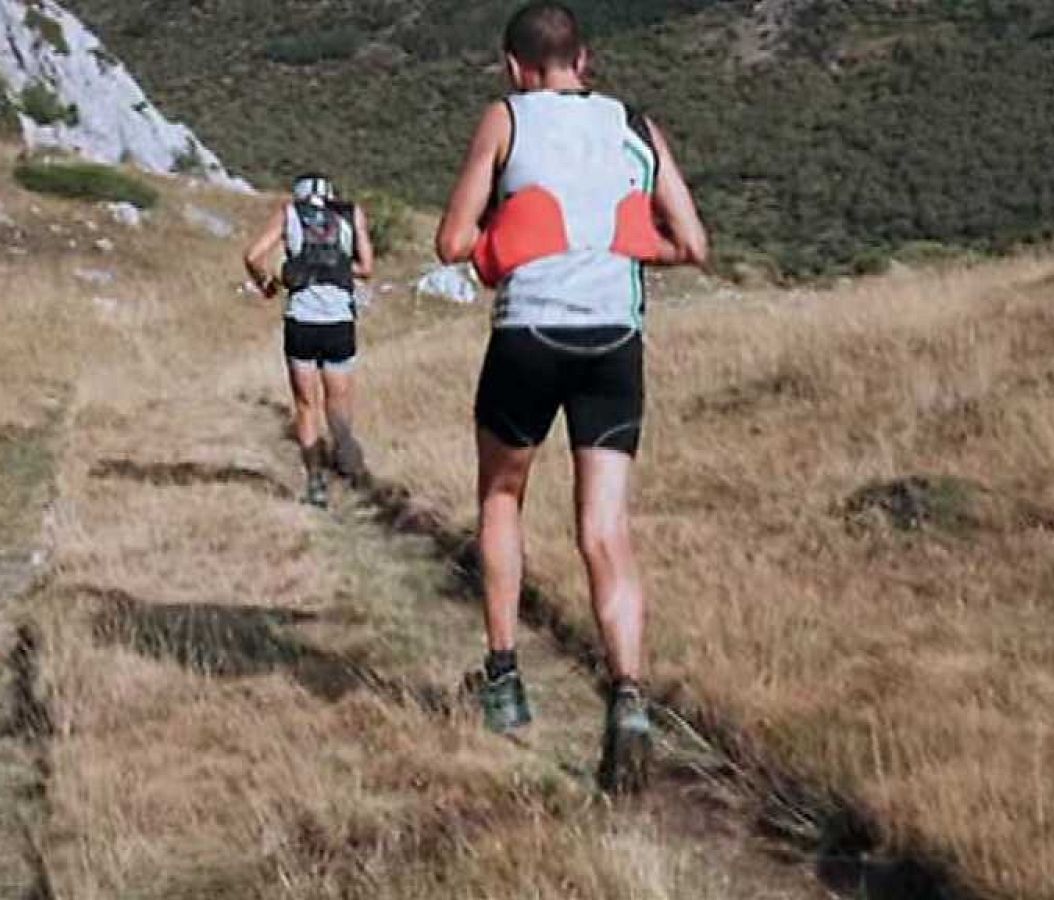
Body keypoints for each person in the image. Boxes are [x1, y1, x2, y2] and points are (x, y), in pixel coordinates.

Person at [435, 2, 708, 790]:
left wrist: (517, 239)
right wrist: (615, 242)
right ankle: (627, 697)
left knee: (502, 498)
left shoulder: (506, 118)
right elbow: (692, 244)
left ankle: (504, 682)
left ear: (514, 66)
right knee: (605, 530)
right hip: (613, 341)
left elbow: (453, 243)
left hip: (530, 334)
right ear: (584, 61)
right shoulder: (634, 123)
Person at [244, 174, 376, 507]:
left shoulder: (288, 213)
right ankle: (347, 464)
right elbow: (367, 267)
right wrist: (338, 267)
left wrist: (270, 283)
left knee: (306, 406)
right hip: (339, 322)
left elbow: (253, 255)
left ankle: (315, 483)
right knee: (338, 403)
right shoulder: (351, 214)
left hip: (301, 320)